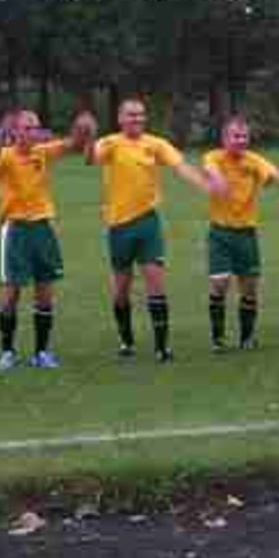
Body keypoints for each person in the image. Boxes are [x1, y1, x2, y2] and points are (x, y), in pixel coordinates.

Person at [86, 98, 225, 362]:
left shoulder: (155, 144)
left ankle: (162, 347)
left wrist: (206, 186)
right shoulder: (110, 143)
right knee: (121, 291)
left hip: (148, 223)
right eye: (131, 115)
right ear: (120, 118)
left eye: (140, 115)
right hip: (118, 226)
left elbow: (181, 166)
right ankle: (126, 341)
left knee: (156, 284)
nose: (137, 119)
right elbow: (91, 158)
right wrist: (88, 137)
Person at [0, 109, 95, 371]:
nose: (33, 132)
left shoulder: (43, 152)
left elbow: (74, 145)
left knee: (45, 294)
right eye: (27, 127)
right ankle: (8, 352)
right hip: (15, 230)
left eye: (36, 127)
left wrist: (84, 130)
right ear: (15, 132)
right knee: (11, 294)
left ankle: (42, 352)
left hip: (43, 228)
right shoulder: (5, 156)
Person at [202, 114, 279, 351]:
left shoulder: (254, 161)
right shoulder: (214, 157)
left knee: (248, 287)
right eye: (235, 136)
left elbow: (275, 175)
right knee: (220, 283)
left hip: (246, 234)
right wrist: (218, 180)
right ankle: (217, 338)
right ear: (224, 138)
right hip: (220, 233)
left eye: (244, 136)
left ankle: (247, 337)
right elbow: (210, 169)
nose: (240, 141)